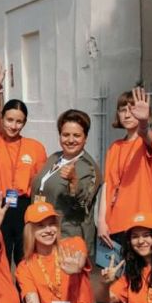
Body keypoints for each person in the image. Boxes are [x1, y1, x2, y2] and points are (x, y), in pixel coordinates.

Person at [0, 57, 47, 265]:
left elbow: (40, 185)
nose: (13, 126)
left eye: (19, 121)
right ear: (3, 119)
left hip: (23, 206)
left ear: (25, 123)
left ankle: (24, 288)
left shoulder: (36, 147)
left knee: (25, 259)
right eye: (9, 120)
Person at [97, 87, 152, 261]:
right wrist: (102, 221)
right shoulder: (115, 147)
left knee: (144, 272)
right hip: (115, 224)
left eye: (132, 109)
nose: (127, 115)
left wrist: (143, 123)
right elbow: (108, 185)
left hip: (143, 224)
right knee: (115, 274)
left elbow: (149, 137)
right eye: (122, 110)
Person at [31, 109, 102, 255]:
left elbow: (83, 204)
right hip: (44, 234)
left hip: (68, 238)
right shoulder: (54, 157)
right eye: (65, 135)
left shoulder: (89, 167)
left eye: (76, 135)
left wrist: (74, 182)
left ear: (85, 137)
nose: (70, 140)